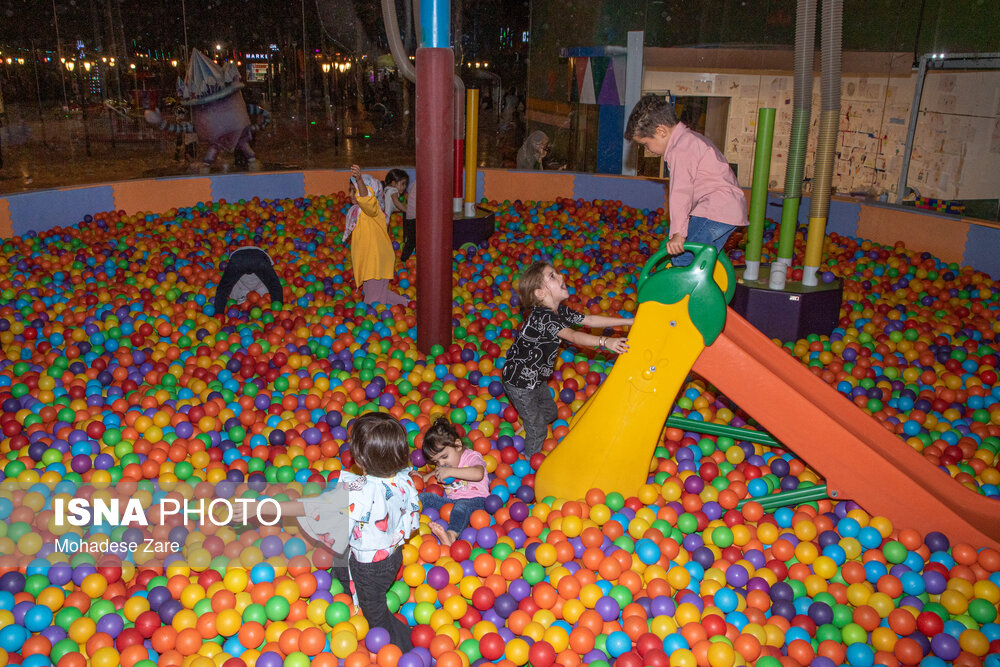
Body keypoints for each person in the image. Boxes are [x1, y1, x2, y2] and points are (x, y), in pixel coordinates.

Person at [232, 412, 420, 652]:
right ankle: (343, 586)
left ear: (359, 459)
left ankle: (407, 644)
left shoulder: (359, 490)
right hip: (392, 557)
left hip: (370, 568)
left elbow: (311, 507)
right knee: (341, 554)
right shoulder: (403, 478)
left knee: (375, 614)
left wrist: (261, 506)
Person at [501, 261, 634, 457]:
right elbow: (572, 336)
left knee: (550, 413)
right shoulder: (542, 317)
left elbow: (589, 320)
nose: (561, 276)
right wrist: (604, 342)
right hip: (518, 381)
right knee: (539, 429)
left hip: (536, 378)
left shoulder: (560, 311)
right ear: (540, 293)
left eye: (556, 273)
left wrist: (628, 321)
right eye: (552, 276)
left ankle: (527, 427)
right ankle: (528, 462)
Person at [625, 94, 748, 267]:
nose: (648, 149)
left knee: (684, 258)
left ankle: (682, 294)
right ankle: (705, 291)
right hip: (729, 211)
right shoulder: (692, 139)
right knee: (703, 262)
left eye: (646, 143)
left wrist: (678, 233)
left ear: (661, 131)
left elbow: (681, 192)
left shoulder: (681, 149)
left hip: (715, 210)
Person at [344, 164, 409, 307]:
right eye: (351, 191)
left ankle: (376, 323)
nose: (351, 194)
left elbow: (366, 199)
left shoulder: (372, 211)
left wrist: (360, 180)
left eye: (354, 191)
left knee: (372, 302)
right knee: (378, 294)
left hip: (376, 262)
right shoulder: (359, 212)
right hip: (369, 264)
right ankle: (407, 304)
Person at [417, 418, 490, 546]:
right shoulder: (445, 465)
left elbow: (478, 474)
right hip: (451, 503)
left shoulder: (471, 457)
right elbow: (437, 472)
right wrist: (423, 478)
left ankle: (451, 535)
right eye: (436, 462)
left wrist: (451, 471)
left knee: (461, 506)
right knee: (424, 497)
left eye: (444, 457)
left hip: (477, 501)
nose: (441, 464)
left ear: (458, 445)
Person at [213, 245, 284, 318]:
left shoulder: (235, 257)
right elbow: (274, 286)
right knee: (274, 286)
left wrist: (219, 314)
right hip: (259, 258)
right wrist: (278, 306)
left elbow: (223, 288)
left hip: (238, 259)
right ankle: (278, 313)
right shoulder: (264, 256)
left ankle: (218, 313)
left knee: (224, 288)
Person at [400, 180, 417, 262]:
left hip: (410, 216)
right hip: (414, 216)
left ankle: (405, 258)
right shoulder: (420, 184)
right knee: (412, 240)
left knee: (413, 239)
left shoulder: (414, 183)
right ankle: (404, 259)